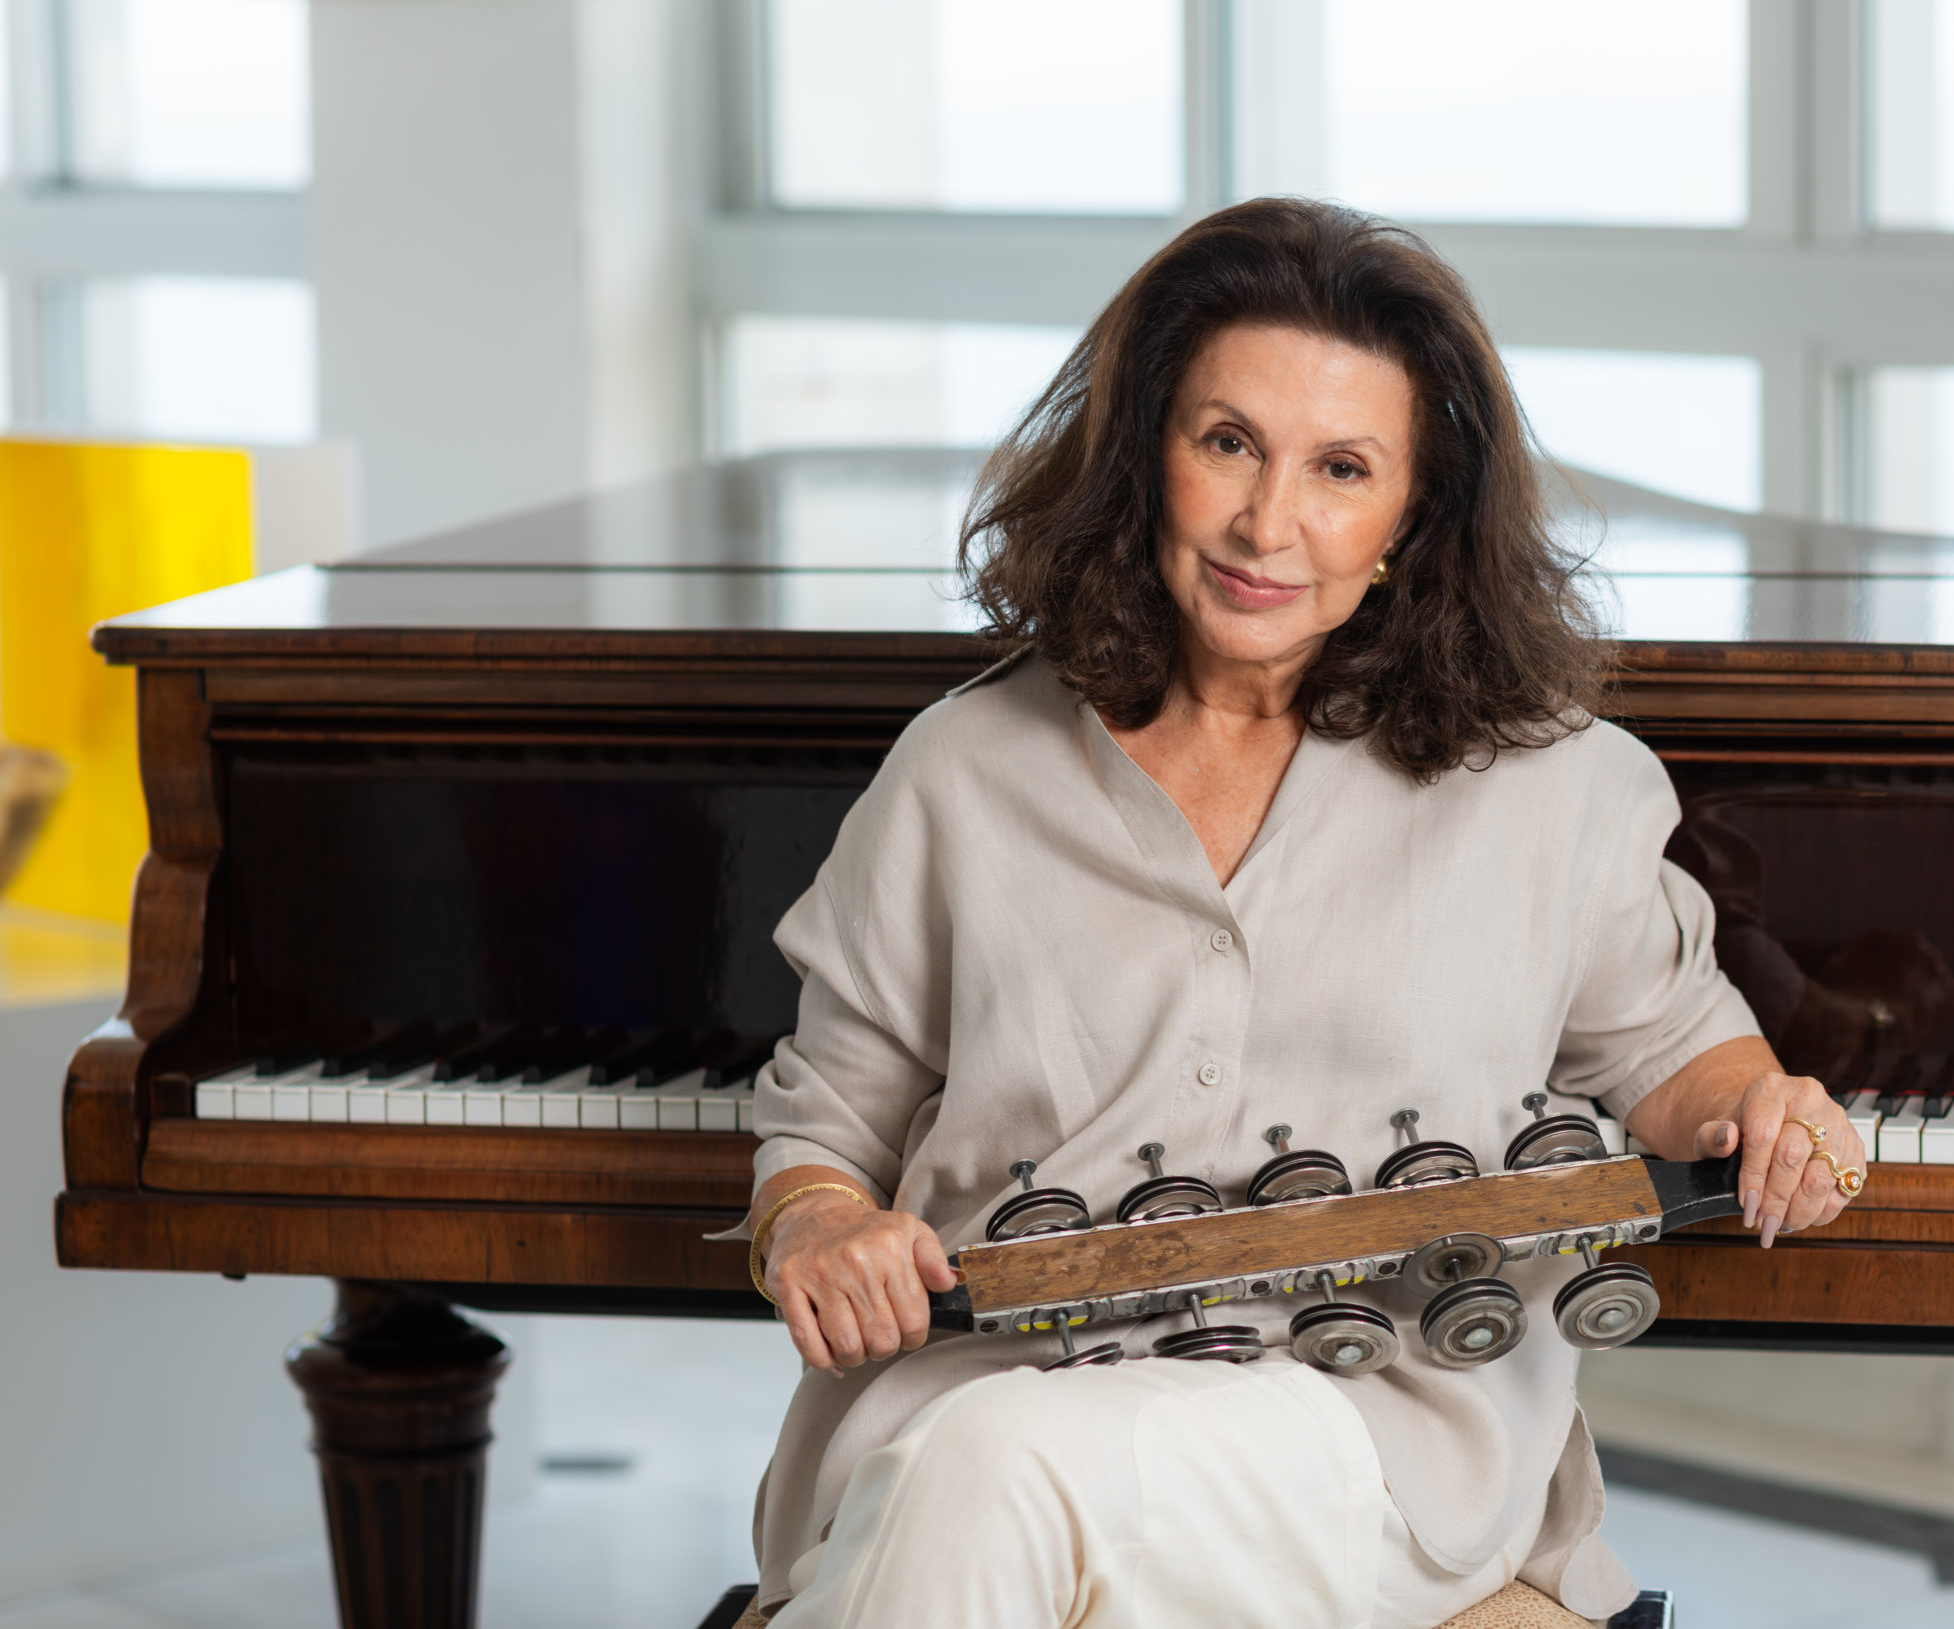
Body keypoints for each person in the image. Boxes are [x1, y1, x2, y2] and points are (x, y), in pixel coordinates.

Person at [735, 197, 1866, 1629]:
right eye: (1228, 443)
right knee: (980, 1462)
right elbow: (829, 1129)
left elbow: (1676, 1052)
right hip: (987, 1377)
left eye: (1342, 469)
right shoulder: (961, 769)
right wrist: (819, 1223)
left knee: (990, 1473)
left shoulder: (1555, 786)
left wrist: (1764, 1107)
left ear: (1413, 514)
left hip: (1368, 1428)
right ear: (1144, 452)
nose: (1268, 524)